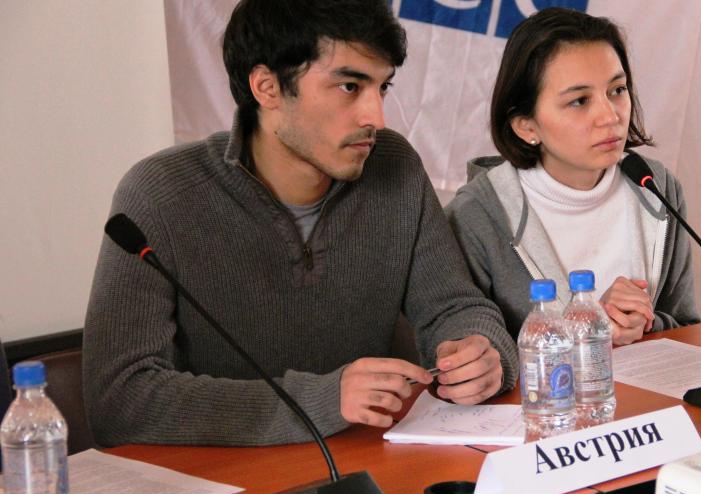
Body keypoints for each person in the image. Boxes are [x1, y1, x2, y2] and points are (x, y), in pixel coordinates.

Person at [83, 0, 517, 447]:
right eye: (349, 86)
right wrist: (321, 399)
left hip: (364, 459)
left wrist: (482, 352)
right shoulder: (160, 193)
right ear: (267, 87)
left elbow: (453, 307)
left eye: (383, 87)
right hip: (221, 472)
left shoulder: (394, 166)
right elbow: (119, 400)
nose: (376, 117)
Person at [446, 8, 700, 344]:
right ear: (526, 126)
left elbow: (686, 329)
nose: (610, 116)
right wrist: (589, 327)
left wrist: (644, 324)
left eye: (617, 90)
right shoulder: (475, 216)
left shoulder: (657, 188)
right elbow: (473, 357)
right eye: (579, 101)